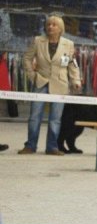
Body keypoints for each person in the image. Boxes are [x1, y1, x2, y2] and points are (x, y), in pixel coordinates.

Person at [19, 14, 81, 155]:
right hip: (40, 81)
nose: (50, 27)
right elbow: (27, 58)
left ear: (60, 29)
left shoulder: (68, 44)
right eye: (48, 24)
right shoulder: (37, 41)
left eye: (54, 25)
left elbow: (73, 65)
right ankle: (30, 145)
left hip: (60, 84)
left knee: (55, 119)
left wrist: (76, 81)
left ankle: (52, 147)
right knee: (34, 116)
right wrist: (32, 75)